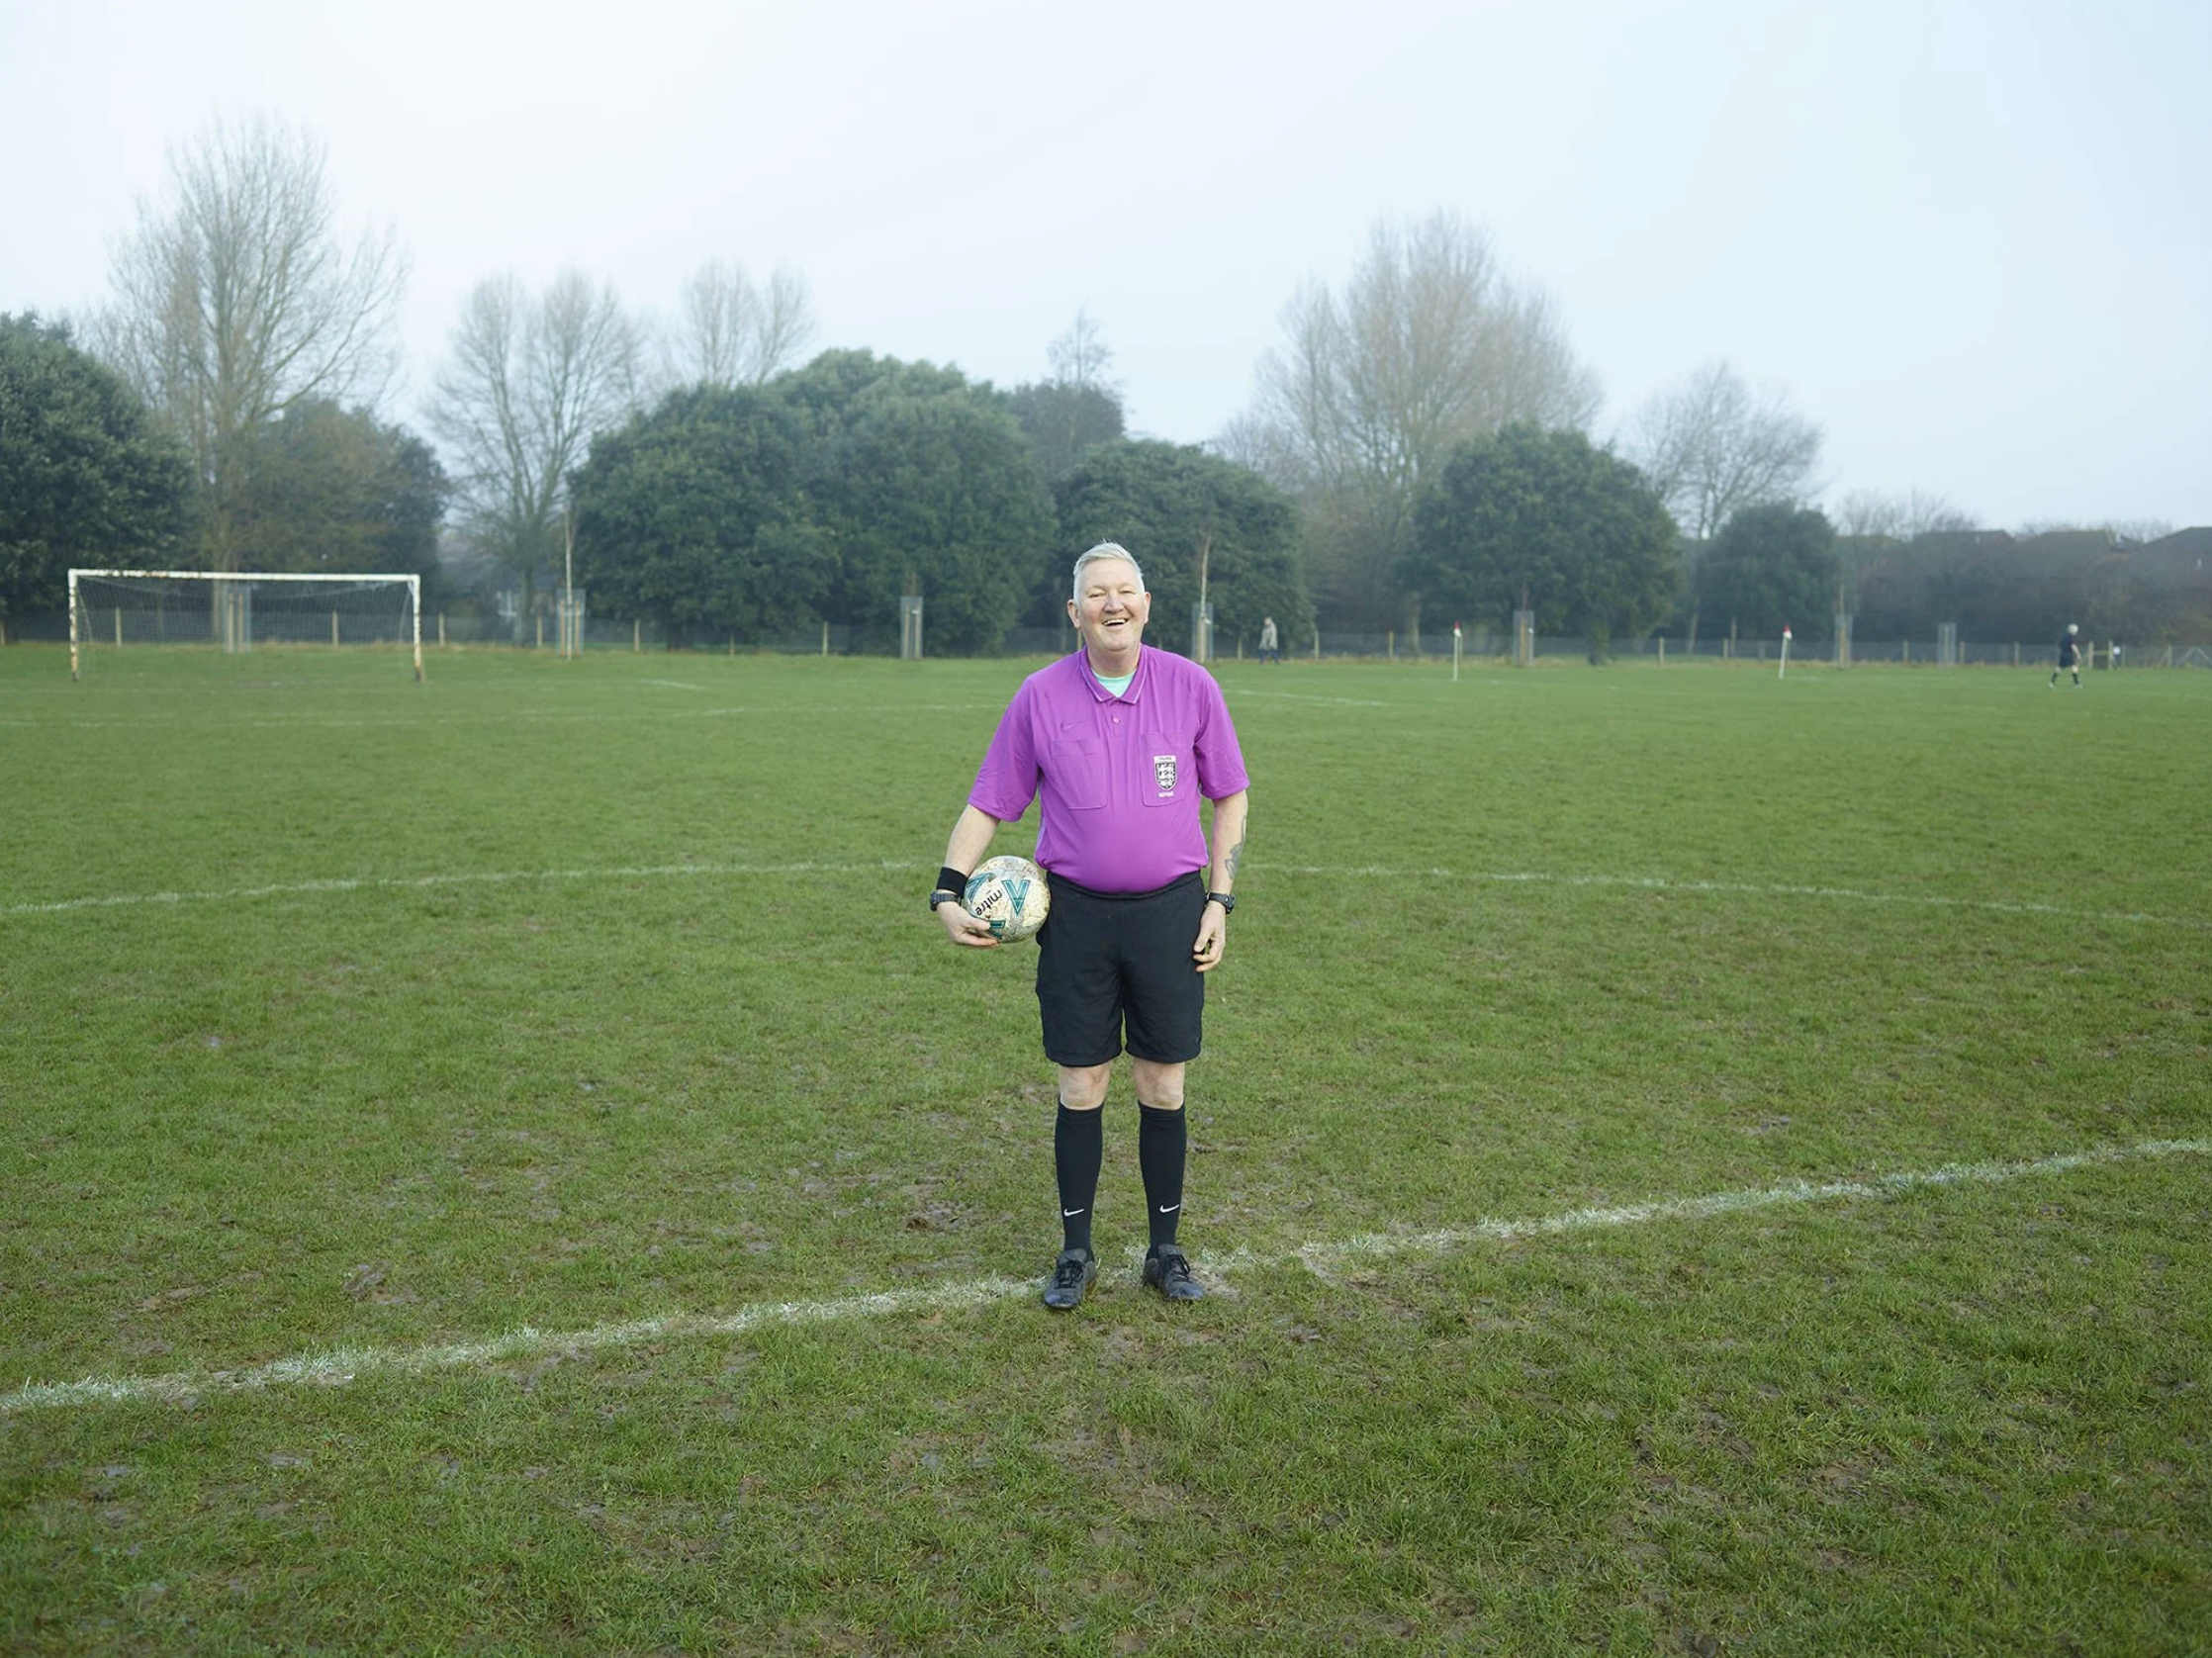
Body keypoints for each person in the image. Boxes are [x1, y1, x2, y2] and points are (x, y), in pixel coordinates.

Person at [932, 543, 1250, 1310]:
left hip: (1171, 915)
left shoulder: (1192, 686)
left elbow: (1231, 795)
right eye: (1097, 594)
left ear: (1146, 603)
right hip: (1075, 918)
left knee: (1163, 1085)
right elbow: (990, 801)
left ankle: (1165, 1251)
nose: (1114, 604)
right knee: (1081, 1085)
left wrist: (1219, 900)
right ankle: (1075, 1253)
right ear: (1075, 612)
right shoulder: (1039, 696)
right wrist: (946, 891)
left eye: (1125, 591)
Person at [2051, 622, 2082, 688]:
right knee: (2074, 667)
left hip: (2063, 653)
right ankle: (2077, 683)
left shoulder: (2064, 636)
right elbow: (2073, 646)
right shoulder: (2071, 637)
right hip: (2068, 654)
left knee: (2059, 667)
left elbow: (2060, 645)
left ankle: (2051, 682)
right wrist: (2078, 654)